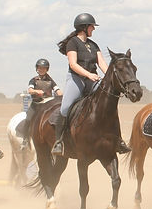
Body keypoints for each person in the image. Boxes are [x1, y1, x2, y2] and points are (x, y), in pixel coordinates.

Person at [52, 13, 130, 156]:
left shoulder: (93, 45)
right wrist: (88, 75)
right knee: (65, 108)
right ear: (84, 27)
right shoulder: (73, 43)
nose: (93, 28)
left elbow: (103, 64)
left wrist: (111, 79)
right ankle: (59, 142)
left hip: (93, 80)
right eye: (92, 26)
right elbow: (73, 64)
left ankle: (118, 140)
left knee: (109, 104)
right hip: (76, 79)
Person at [20, 58, 62, 149]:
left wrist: (62, 95)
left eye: (43, 68)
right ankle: (25, 139)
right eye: (39, 68)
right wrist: (36, 91)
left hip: (48, 104)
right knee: (28, 118)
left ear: (47, 69)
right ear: (36, 68)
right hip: (36, 104)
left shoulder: (51, 81)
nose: (41, 70)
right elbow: (30, 90)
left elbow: (57, 90)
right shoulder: (34, 80)